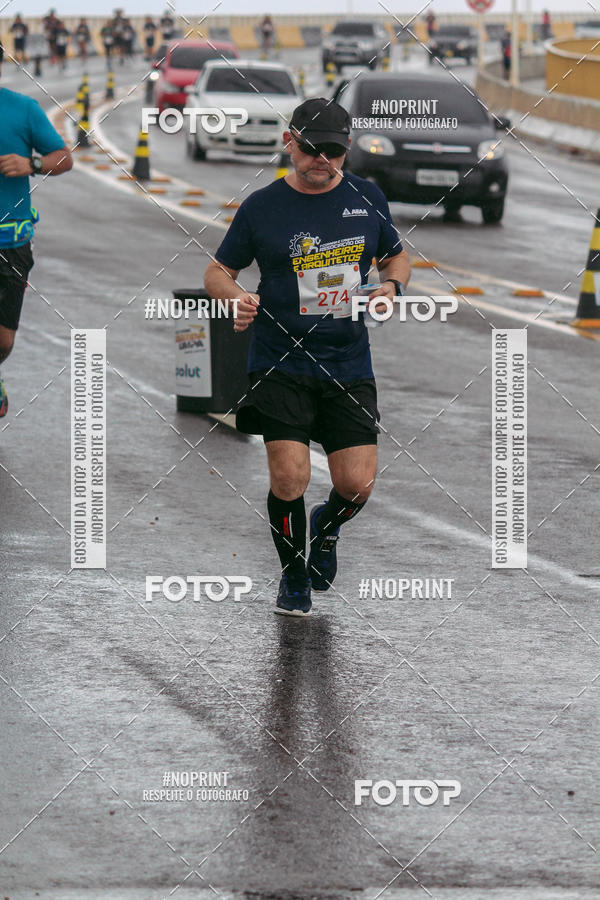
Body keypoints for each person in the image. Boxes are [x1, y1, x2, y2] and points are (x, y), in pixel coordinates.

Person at [204, 98, 410, 616]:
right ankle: (294, 575)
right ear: (289, 142)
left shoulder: (366, 197)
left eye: (334, 151)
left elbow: (396, 257)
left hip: (347, 362)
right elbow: (217, 272)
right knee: (289, 477)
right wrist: (238, 298)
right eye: (313, 149)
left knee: (356, 484)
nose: (323, 160)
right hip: (279, 360)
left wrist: (392, 287)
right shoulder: (262, 207)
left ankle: (326, 526)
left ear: (347, 150)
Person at [0, 41, 73, 417]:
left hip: (11, 244)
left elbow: (64, 158)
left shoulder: (23, 109)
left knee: (3, 341)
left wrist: (32, 164)